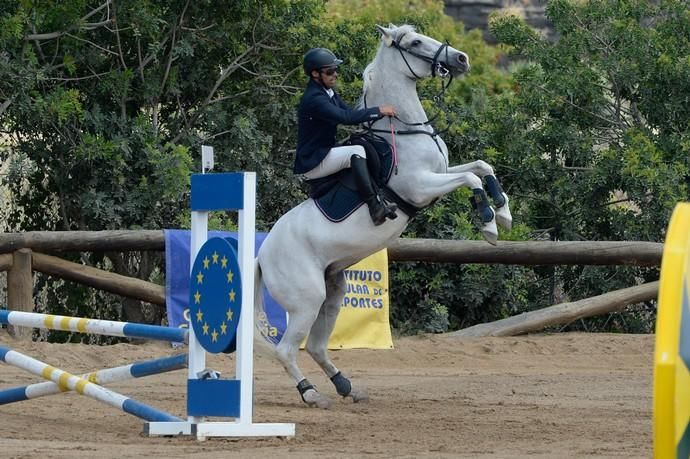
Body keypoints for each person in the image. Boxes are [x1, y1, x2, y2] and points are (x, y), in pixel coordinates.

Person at [295, 47, 398, 226]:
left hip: (324, 152)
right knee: (356, 152)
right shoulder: (314, 99)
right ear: (315, 74)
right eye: (329, 71)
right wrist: (379, 111)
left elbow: (348, 112)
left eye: (336, 70)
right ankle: (375, 208)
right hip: (313, 161)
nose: (335, 75)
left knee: (362, 143)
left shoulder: (328, 92)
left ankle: (378, 196)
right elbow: (346, 118)